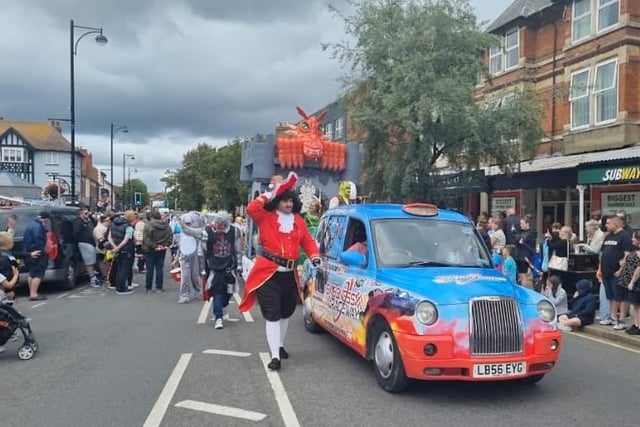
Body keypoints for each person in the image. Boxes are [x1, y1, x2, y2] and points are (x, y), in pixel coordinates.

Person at [239, 172, 321, 370]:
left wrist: (315, 256)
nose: (288, 205)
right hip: (268, 274)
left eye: (290, 201)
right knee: (273, 314)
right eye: (284, 201)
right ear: (276, 202)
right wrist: (271, 193)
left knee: (286, 313)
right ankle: (275, 356)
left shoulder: (298, 221)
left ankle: (280, 345)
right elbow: (252, 208)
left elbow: (308, 241)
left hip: (289, 275)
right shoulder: (265, 217)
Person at [204, 211, 240, 329]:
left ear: (224, 224)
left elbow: (238, 249)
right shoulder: (208, 231)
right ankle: (218, 317)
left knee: (229, 293)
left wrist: (239, 264)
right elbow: (203, 249)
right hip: (215, 268)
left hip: (229, 268)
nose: (216, 225)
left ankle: (222, 307)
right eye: (216, 222)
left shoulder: (234, 231)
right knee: (217, 293)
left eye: (219, 223)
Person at [597, 215, 634, 330]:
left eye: (608, 224)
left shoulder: (625, 236)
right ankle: (613, 318)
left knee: (621, 297)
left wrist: (620, 270)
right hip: (606, 271)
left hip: (617, 272)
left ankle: (621, 319)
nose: (606, 225)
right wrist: (599, 269)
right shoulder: (608, 237)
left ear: (615, 224)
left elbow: (627, 255)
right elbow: (603, 254)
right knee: (611, 297)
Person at [142, 209, 173, 293]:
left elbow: (146, 238)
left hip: (150, 249)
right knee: (159, 268)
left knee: (150, 268)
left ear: (151, 217)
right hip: (162, 249)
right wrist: (165, 245)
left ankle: (149, 288)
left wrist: (154, 245)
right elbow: (170, 237)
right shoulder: (167, 226)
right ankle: (159, 287)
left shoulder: (148, 225)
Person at [23, 211, 50, 301]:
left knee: (32, 273)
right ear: (45, 219)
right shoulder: (38, 227)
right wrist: (42, 251)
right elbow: (38, 239)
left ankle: (31, 292)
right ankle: (34, 294)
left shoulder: (31, 224)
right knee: (38, 273)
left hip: (29, 251)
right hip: (36, 251)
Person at [178, 212, 204, 303]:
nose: (188, 224)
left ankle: (198, 291)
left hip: (196, 256)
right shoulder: (183, 232)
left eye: (189, 223)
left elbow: (189, 231)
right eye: (187, 223)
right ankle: (184, 295)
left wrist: (182, 225)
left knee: (194, 275)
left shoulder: (199, 231)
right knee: (185, 276)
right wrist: (176, 257)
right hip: (184, 256)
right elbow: (181, 245)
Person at [108, 211, 136, 295]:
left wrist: (114, 247)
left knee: (119, 267)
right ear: (130, 217)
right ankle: (121, 288)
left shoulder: (114, 224)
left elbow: (109, 237)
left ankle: (117, 285)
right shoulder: (129, 227)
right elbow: (126, 239)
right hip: (126, 249)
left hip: (116, 248)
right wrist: (118, 247)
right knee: (124, 269)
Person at [73, 206, 100, 287]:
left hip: (90, 243)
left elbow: (96, 223)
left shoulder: (88, 221)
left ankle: (93, 277)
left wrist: (91, 216)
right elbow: (75, 233)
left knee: (92, 260)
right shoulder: (78, 222)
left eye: (88, 212)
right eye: (85, 213)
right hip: (84, 242)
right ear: (80, 213)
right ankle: (92, 278)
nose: (87, 214)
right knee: (89, 261)